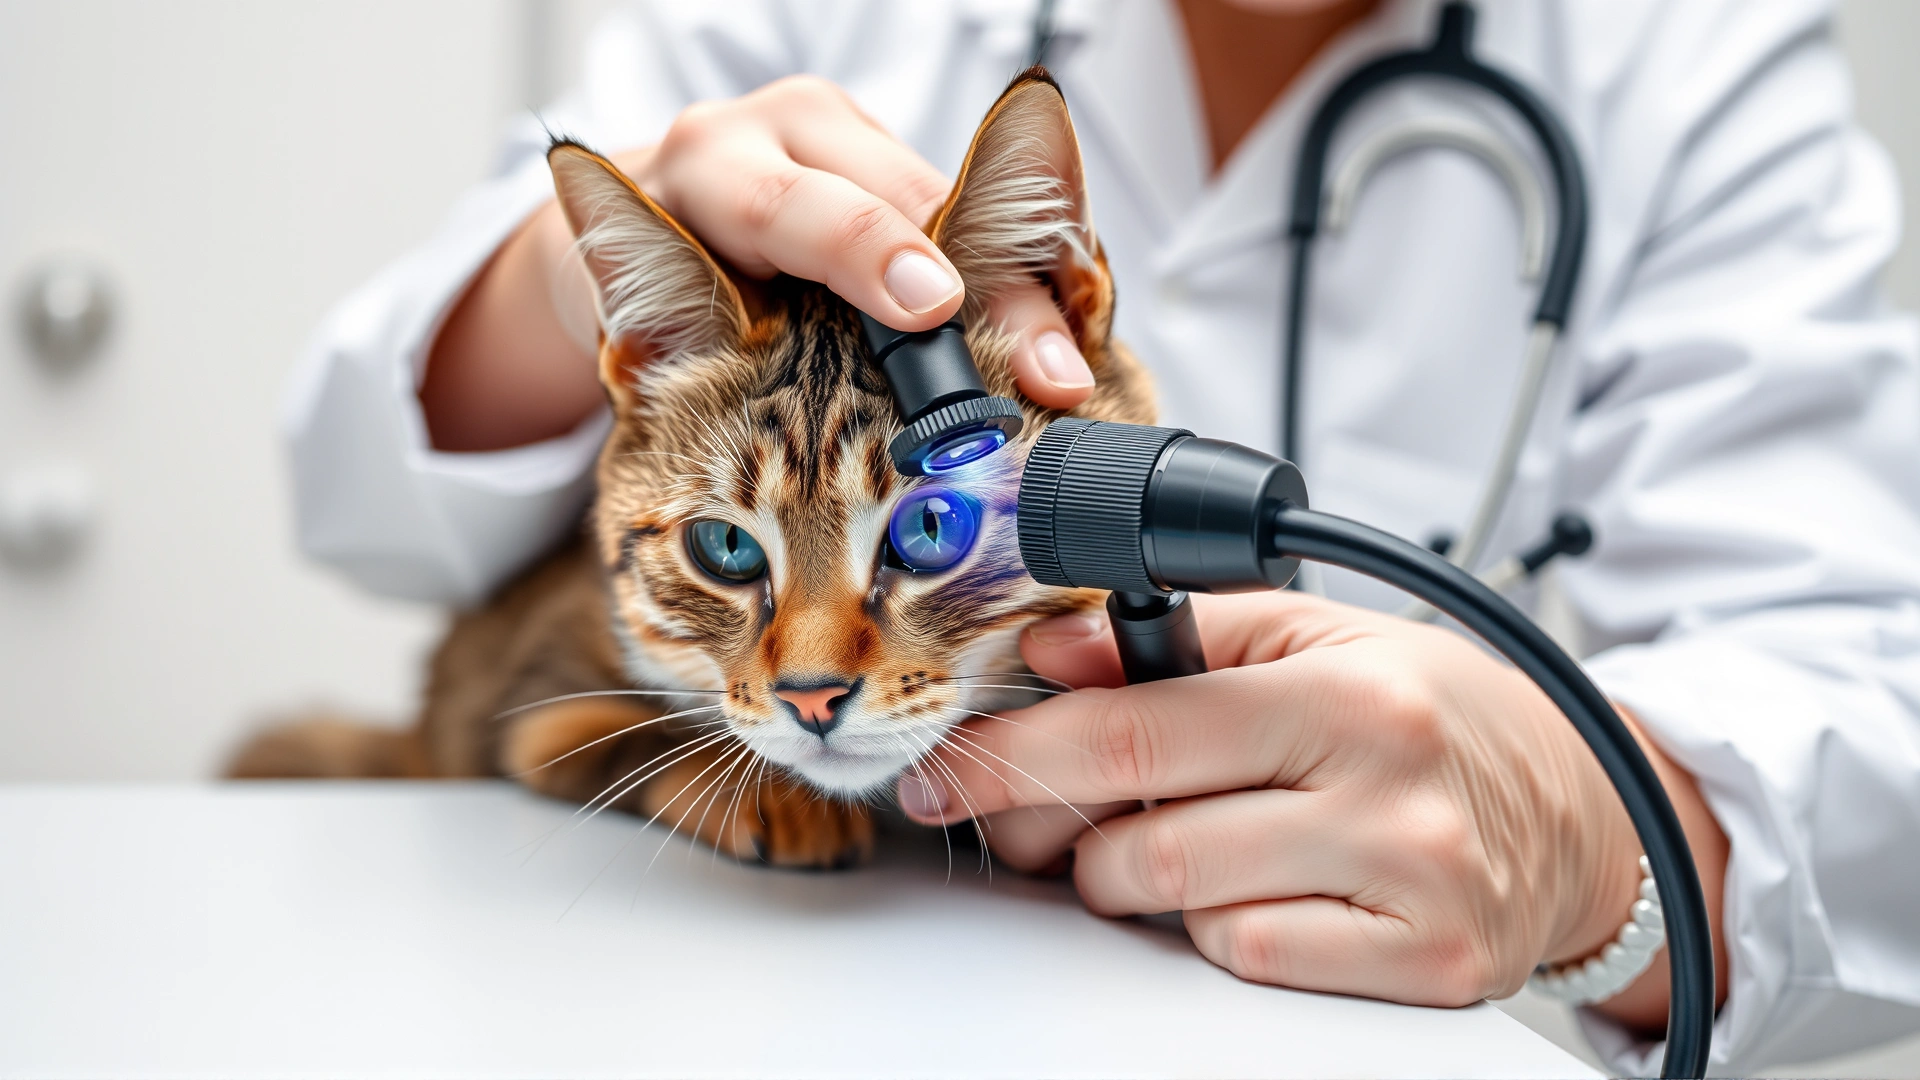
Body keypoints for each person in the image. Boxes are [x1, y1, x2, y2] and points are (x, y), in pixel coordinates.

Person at [287, 0, 1920, 1072]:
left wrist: (1603, 841)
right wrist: (563, 277)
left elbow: (1876, 733)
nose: (817, 677)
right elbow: (351, 479)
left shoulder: (1691, 50)